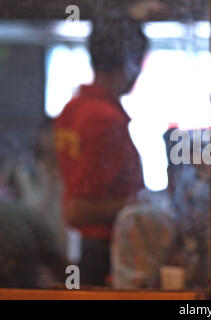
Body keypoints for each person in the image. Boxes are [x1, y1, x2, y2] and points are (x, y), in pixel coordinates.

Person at [54, 14, 147, 286]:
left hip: (90, 249)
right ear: (129, 60)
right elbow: (79, 210)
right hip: (107, 252)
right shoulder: (103, 118)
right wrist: (142, 205)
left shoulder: (74, 109)